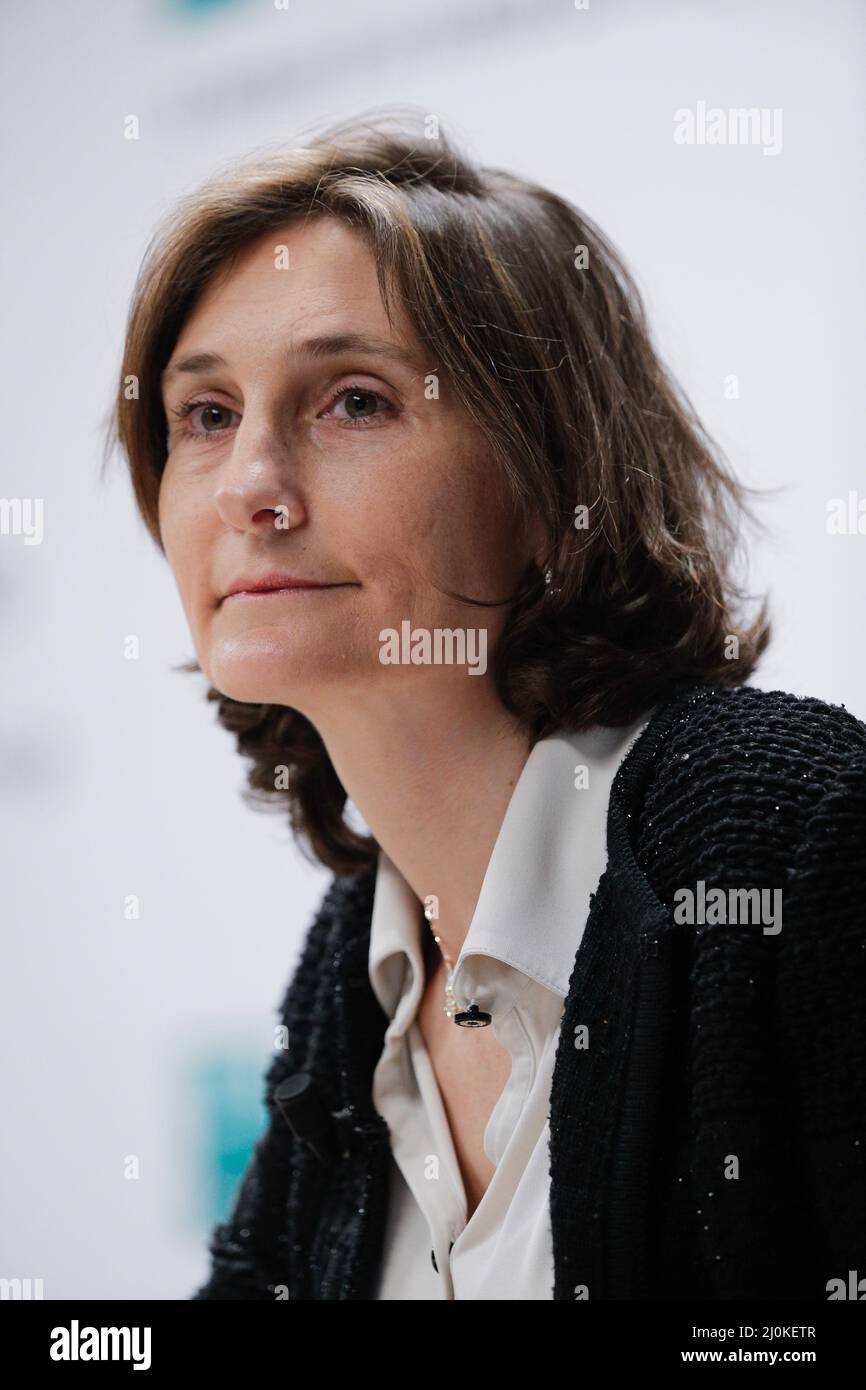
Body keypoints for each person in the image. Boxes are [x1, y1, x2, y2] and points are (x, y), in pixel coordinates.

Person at [105, 112, 866, 1300]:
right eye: (205, 416)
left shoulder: (792, 831)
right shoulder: (354, 975)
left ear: (551, 480)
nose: (248, 485)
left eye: (351, 401)